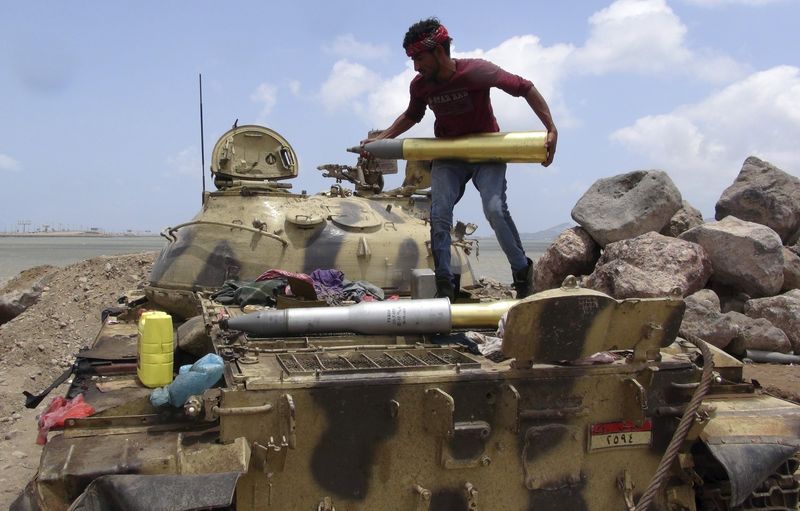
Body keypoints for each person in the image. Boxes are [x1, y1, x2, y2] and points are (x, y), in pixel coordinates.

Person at [364, 17, 557, 301]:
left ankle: (522, 273)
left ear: (439, 51)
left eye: (419, 58)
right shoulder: (420, 86)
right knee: (439, 215)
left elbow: (525, 87)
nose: (416, 67)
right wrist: (383, 137)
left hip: (486, 151)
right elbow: (412, 115)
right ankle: (445, 286)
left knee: (494, 209)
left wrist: (550, 128)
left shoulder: (477, 71)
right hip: (449, 154)